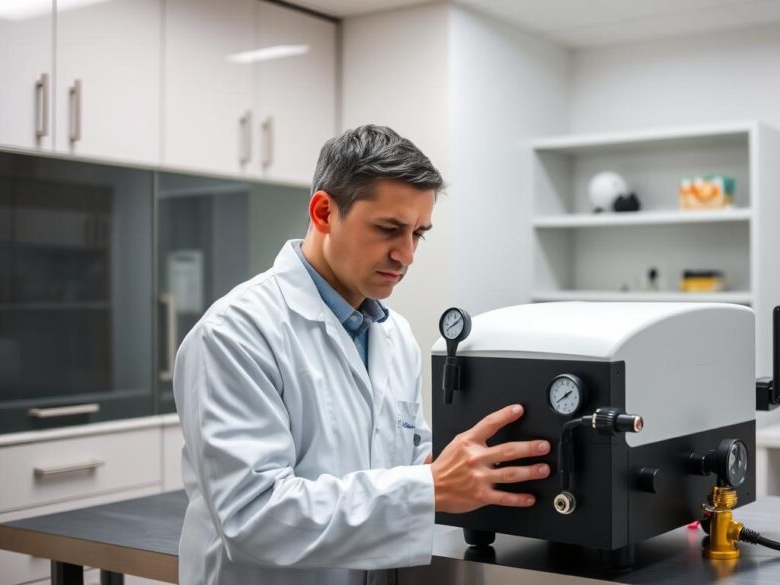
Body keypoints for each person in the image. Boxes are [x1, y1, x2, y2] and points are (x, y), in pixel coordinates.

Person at [173, 125, 551, 585]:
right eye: (389, 229)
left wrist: (464, 467)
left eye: (418, 234)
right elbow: (255, 516)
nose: (407, 255)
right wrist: (428, 487)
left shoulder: (396, 336)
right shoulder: (235, 334)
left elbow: (401, 457)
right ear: (324, 212)